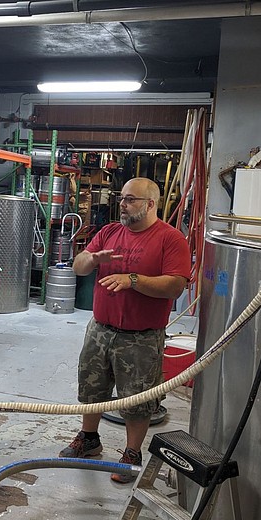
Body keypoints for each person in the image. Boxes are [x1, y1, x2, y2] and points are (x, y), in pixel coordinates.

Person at [59, 177, 190, 483]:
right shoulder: (108, 232)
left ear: (150, 204)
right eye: (122, 198)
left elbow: (175, 284)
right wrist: (91, 258)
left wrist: (133, 280)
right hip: (101, 329)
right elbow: (78, 266)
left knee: (137, 399)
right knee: (92, 389)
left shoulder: (170, 240)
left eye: (131, 199)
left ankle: (132, 452)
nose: (123, 204)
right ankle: (89, 438)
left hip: (141, 336)